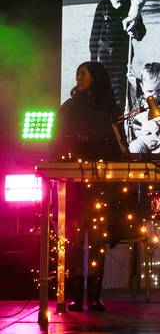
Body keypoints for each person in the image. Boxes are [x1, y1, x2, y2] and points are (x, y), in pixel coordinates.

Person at [51, 61, 128, 312]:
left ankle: (94, 295)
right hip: (74, 186)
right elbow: (57, 140)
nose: (78, 77)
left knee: (97, 239)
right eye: (77, 73)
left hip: (101, 184)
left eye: (83, 73)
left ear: (96, 78)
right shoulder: (70, 107)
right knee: (73, 239)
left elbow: (120, 145)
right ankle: (73, 294)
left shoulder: (110, 109)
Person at [89, 0, 131, 109]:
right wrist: (93, 63)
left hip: (123, 59)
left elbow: (141, 31)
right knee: (102, 91)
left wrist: (136, 30)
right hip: (103, 60)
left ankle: (117, 122)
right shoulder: (102, 7)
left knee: (119, 95)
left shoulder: (130, 7)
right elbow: (94, 37)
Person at [127, 62, 160, 153]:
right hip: (144, 139)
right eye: (150, 91)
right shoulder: (140, 102)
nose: (154, 95)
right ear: (142, 88)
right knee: (135, 147)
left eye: (159, 90)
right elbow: (133, 121)